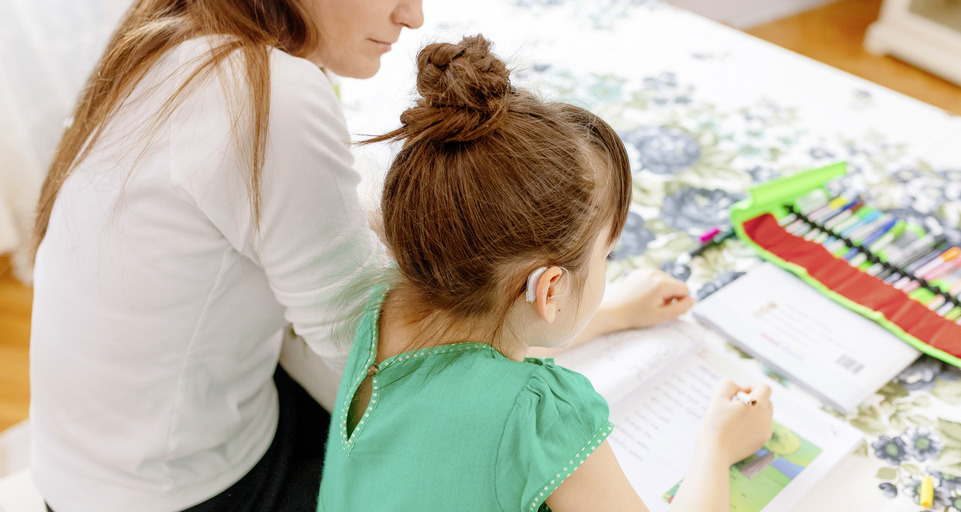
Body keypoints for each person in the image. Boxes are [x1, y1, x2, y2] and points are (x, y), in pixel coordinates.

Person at [27, 1, 699, 510]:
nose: (413, 15)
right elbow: (391, 357)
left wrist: (578, 306)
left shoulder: (176, 29)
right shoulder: (270, 97)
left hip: (85, 462)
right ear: (547, 288)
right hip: (173, 488)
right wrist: (587, 319)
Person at [316, 35, 774, 512]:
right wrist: (718, 447)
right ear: (549, 288)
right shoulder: (541, 414)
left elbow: (475, 354)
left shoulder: (383, 305)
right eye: (608, 257)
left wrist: (614, 313)